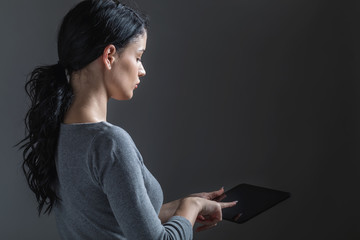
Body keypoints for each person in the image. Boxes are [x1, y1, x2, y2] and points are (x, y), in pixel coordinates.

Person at [17, 0, 237, 239]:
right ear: (110, 55)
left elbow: (111, 220)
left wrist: (186, 204)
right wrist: (191, 209)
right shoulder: (109, 144)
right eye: (138, 56)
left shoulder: (59, 132)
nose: (142, 70)